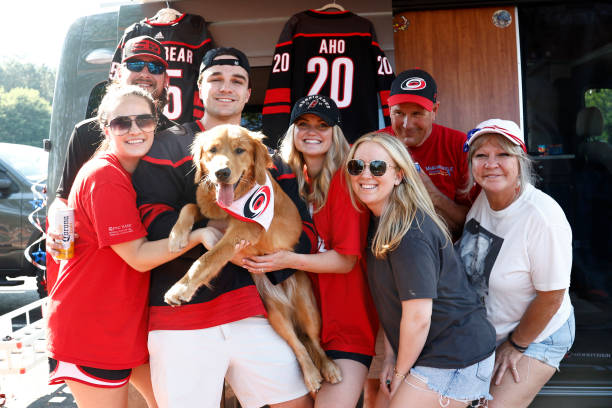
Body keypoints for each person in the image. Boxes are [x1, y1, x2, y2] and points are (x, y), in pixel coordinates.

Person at [131, 47, 316, 408]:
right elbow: (151, 218)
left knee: (296, 403)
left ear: (248, 94)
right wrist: (215, 231)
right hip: (179, 314)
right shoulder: (168, 143)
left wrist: (272, 261)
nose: (226, 87)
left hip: (253, 308)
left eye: (238, 81)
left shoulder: (267, 155)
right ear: (199, 87)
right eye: (215, 79)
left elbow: (304, 232)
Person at [46, 84, 210, 408]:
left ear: (155, 124)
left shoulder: (137, 175)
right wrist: (199, 236)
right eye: (122, 123)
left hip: (123, 329)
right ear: (107, 129)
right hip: (91, 330)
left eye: (143, 120)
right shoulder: (105, 176)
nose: (135, 129)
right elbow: (137, 257)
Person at [242, 95, 379, 408]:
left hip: (345, 324)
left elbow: (345, 262)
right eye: (303, 124)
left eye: (322, 125)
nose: (312, 131)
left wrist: (288, 259)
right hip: (298, 323)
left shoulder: (347, 181)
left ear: (336, 133)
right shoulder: (286, 181)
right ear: (292, 131)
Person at [346, 132, 496, 408]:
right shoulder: (379, 221)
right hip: (429, 350)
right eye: (356, 166)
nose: (365, 175)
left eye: (377, 167)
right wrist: (391, 358)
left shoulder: (409, 233)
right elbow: (392, 304)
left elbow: (418, 317)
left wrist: (401, 375)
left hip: (455, 354)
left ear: (399, 175)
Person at [457, 119, 575, 407]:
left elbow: (551, 297)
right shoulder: (485, 197)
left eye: (503, 154)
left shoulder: (543, 218)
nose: (491, 164)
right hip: (489, 331)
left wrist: (516, 345)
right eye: (481, 155)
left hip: (536, 334)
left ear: (521, 161)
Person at [47, 35, 174, 291]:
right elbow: (64, 195)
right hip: (97, 278)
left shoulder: (177, 137)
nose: (146, 73)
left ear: (166, 79)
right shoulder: (87, 132)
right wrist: (57, 223)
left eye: (155, 67)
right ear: (118, 72)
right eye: (136, 65)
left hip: (156, 275)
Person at [379, 68, 472, 239]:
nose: (407, 124)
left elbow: (471, 224)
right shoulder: (374, 145)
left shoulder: (459, 144)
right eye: (399, 113)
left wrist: (430, 193)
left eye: (417, 114)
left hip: (446, 248)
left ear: (435, 111)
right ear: (389, 109)